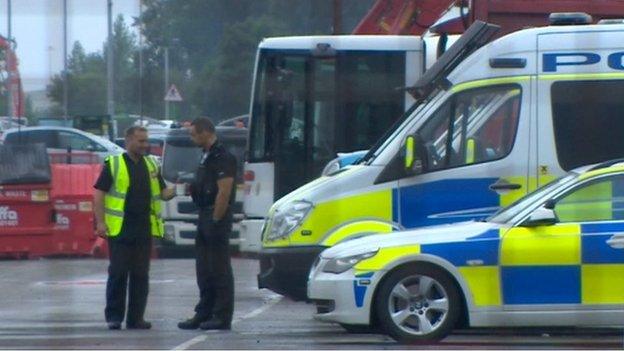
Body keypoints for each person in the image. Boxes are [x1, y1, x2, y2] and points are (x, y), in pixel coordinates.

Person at [93, 126, 175, 330]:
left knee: (141, 275)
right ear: (128, 141)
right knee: (118, 273)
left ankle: (135, 318)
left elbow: (163, 193)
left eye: (146, 141)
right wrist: (100, 222)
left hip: (143, 230)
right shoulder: (115, 164)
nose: (145, 145)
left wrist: (175, 191)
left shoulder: (151, 165)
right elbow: (99, 194)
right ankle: (114, 317)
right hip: (120, 230)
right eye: (141, 141)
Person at [178, 117, 237, 331]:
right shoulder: (206, 156)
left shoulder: (223, 157)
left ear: (205, 132)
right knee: (204, 269)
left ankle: (222, 316)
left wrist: (215, 219)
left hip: (215, 217)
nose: (192, 138)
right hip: (204, 214)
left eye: (194, 134)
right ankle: (203, 313)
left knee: (219, 269)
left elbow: (224, 192)